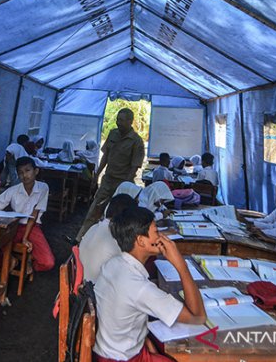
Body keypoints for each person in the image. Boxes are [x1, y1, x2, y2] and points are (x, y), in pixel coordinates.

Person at [93, 206, 206, 361]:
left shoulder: (112, 264)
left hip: (107, 350)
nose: (161, 237)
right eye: (156, 232)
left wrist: (143, 340)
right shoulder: (140, 288)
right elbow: (198, 318)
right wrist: (181, 264)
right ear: (141, 240)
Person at [78, 108, 145, 240]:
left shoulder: (136, 142)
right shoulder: (113, 134)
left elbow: (134, 167)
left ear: (130, 121)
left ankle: (111, 242)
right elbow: (105, 156)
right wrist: (97, 175)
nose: (118, 123)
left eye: (121, 120)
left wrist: (124, 187)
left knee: (117, 215)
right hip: (107, 181)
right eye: (117, 119)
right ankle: (81, 239)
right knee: (95, 209)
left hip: (123, 184)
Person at [0, 156, 55, 272]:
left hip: (32, 227)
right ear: (17, 175)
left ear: (36, 171)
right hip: (14, 226)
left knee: (48, 262)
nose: (24, 175)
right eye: (20, 173)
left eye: (28, 170)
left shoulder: (43, 188)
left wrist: (25, 238)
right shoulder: (14, 190)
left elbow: (34, 214)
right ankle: (14, 260)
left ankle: (29, 260)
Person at [79, 194, 136, 282]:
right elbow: (132, 265)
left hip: (84, 279)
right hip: (95, 288)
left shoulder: (95, 227)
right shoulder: (116, 236)